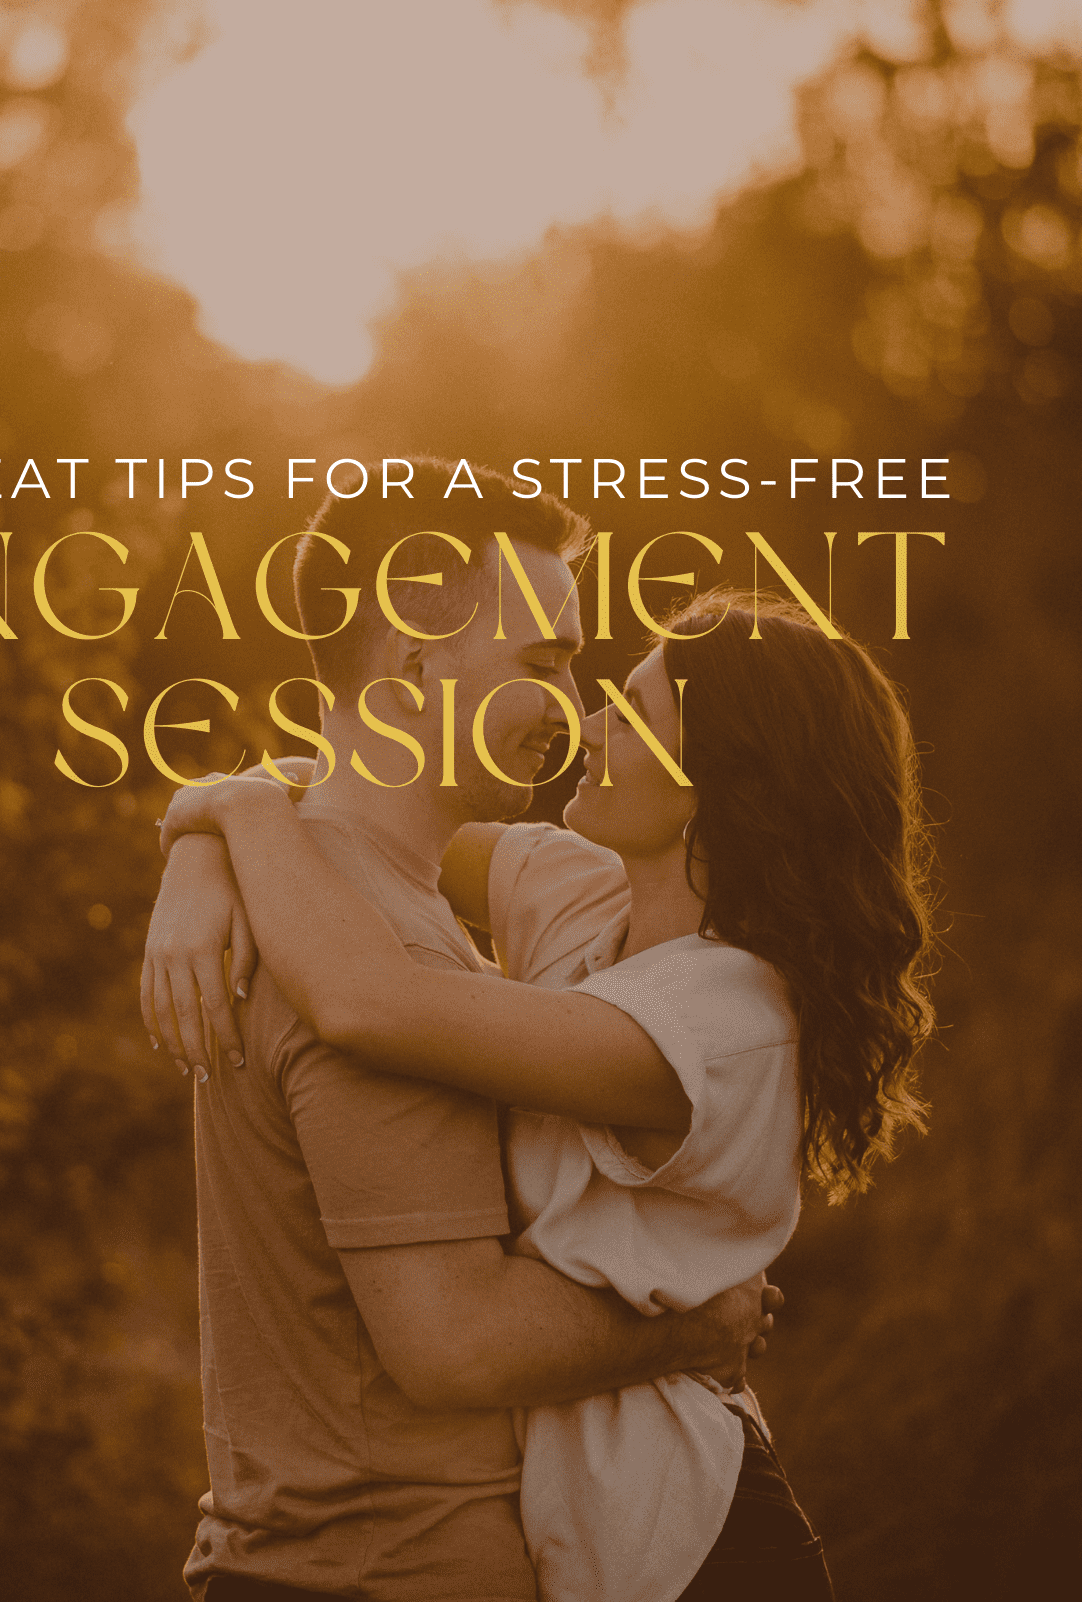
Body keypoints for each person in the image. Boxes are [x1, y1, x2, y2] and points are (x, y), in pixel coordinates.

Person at [147, 569, 936, 1600]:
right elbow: (358, 808)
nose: (586, 719)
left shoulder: (728, 1020)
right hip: (583, 1540)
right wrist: (201, 850)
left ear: (717, 780)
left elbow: (366, 1003)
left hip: (694, 1552)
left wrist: (238, 821)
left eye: (631, 707)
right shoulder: (577, 890)